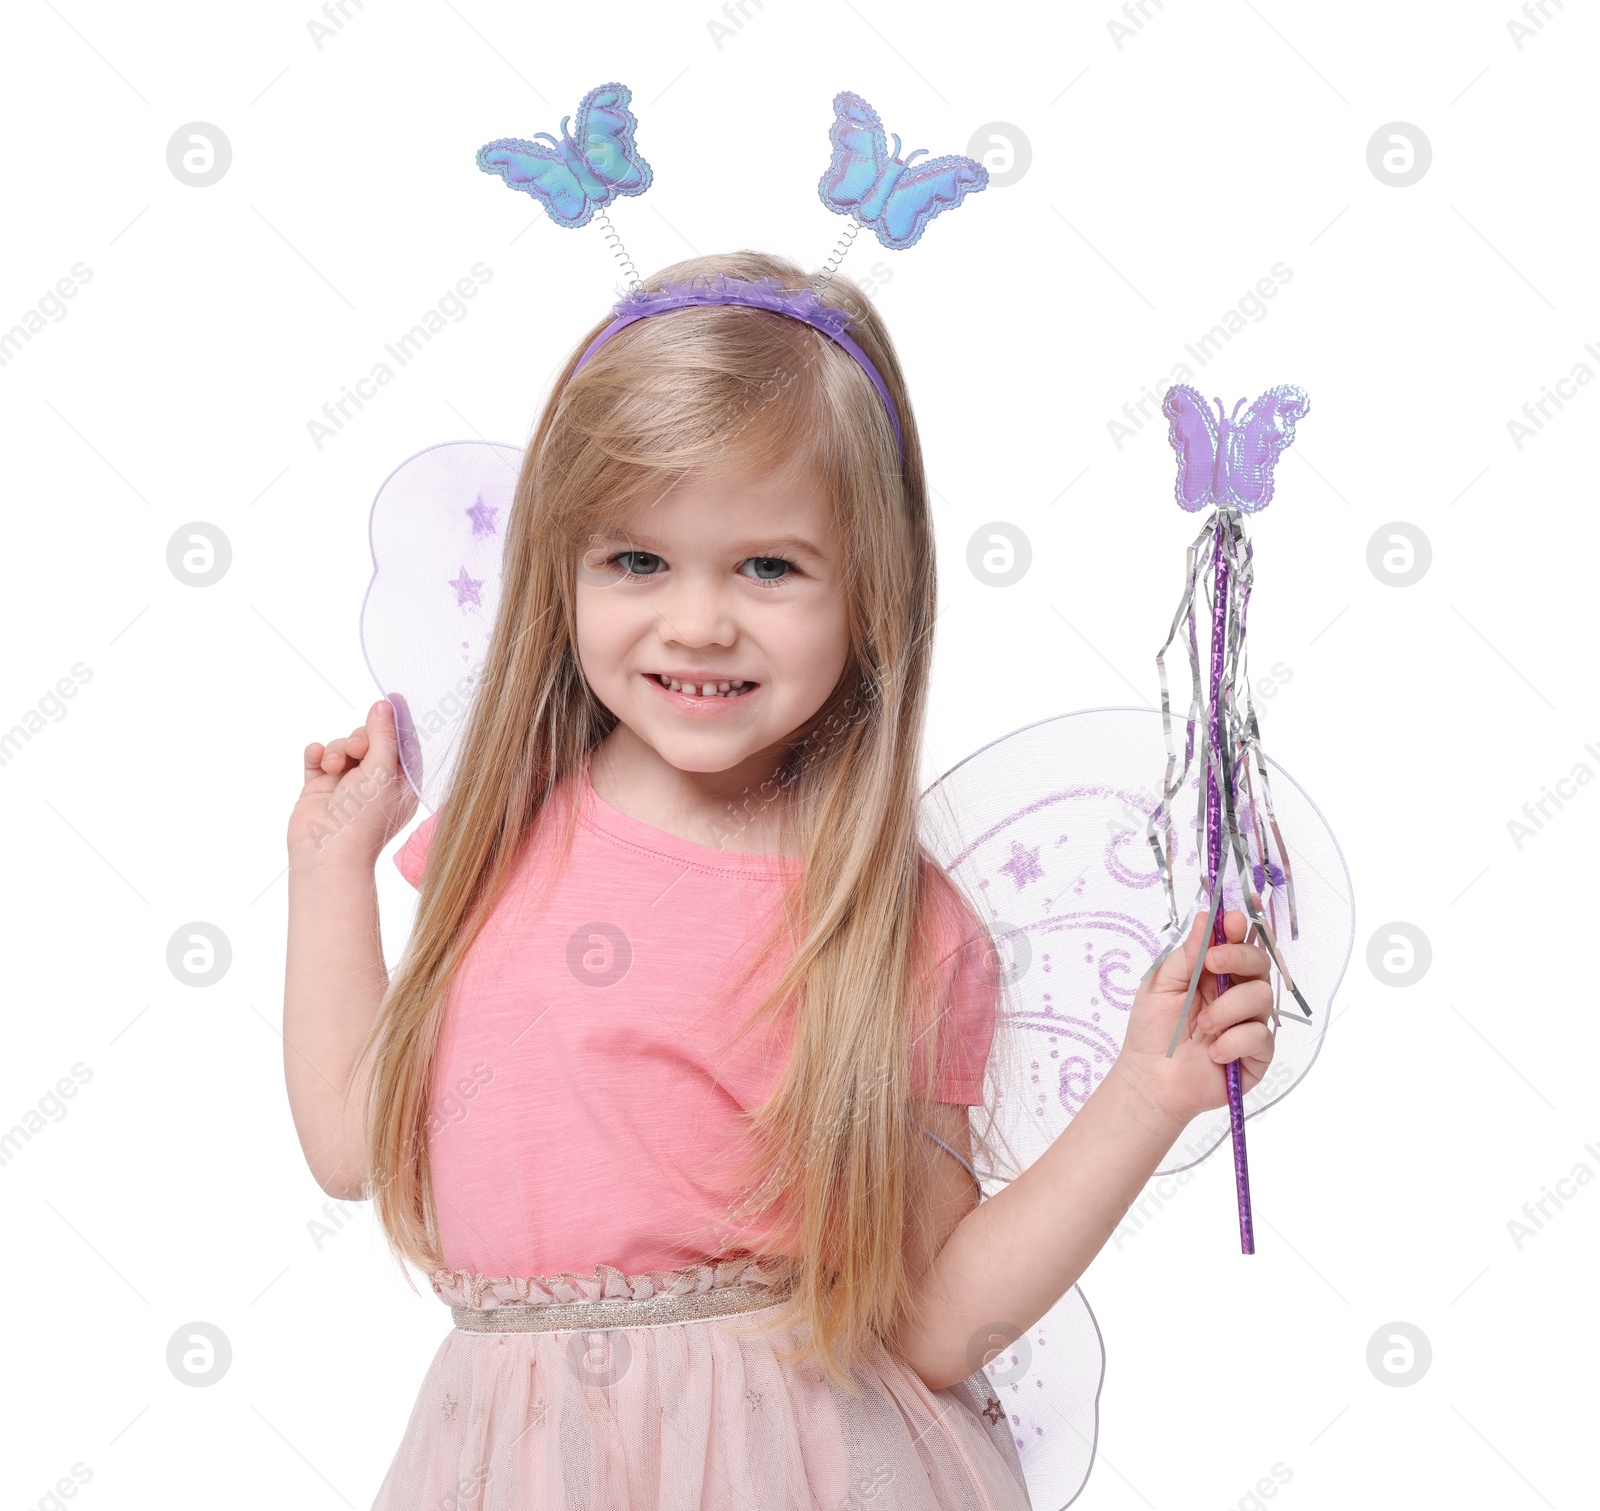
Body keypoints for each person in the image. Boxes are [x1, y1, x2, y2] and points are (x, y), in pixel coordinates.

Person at [282, 249, 1278, 1509]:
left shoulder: (889, 926)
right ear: (560, 569)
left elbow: (932, 1320)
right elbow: (344, 1140)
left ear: (871, 588)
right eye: (637, 561)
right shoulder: (502, 834)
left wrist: (1148, 1092)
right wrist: (330, 866)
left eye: (767, 566)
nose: (697, 621)